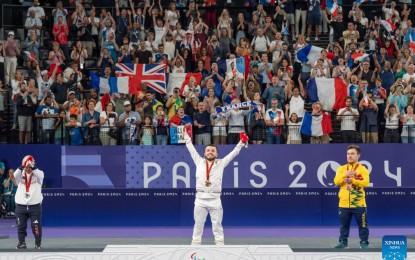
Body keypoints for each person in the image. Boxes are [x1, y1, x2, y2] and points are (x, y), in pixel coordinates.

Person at [184, 130, 249, 246]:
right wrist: (186, 137)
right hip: (200, 200)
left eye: (213, 151)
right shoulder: (198, 161)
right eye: (208, 150)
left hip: (215, 200)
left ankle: (220, 245)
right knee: (198, 224)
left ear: (217, 154)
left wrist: (241, 142)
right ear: (204, 153)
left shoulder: (221, 163)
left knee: (217, 225)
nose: (210, 152)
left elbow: (234, 153)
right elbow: (190, 148)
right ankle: (195, 244)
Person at [333, 145, 369, 249]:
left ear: (358, 155)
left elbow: (366, 183)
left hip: (359, 203)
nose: (350, 156)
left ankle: (363, 242)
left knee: (362, 225)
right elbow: (336, 181)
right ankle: (343, 242)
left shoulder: (363, 169)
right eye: (348, 154)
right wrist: (345, 174)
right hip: (343, 203)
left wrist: (353, 181)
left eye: (352, 154)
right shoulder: (341, 169)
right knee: (344, 226)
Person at [14, 155, 44, 250]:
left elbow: (39, 174)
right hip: (21, 206)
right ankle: (21, 243)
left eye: (29, 167)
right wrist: (22, 166)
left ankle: (37, 244)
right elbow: (14, 175)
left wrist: (32, 166)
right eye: (26, 167)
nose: (28, 169)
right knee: (20, 226)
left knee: (36, 227)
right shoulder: (20, 174)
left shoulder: (39, 174)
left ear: (33, 165)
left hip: (34, 207)